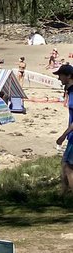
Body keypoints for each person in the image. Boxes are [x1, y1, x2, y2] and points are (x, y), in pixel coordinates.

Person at [54, 63, 73, 194]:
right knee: (65, 164)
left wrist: (63, 136)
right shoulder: (70, 91)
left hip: (72, 136)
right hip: (71, 136)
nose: (59, 78)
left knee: (68, 167)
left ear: (69, 76)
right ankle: (63, 193)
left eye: (60, 75)